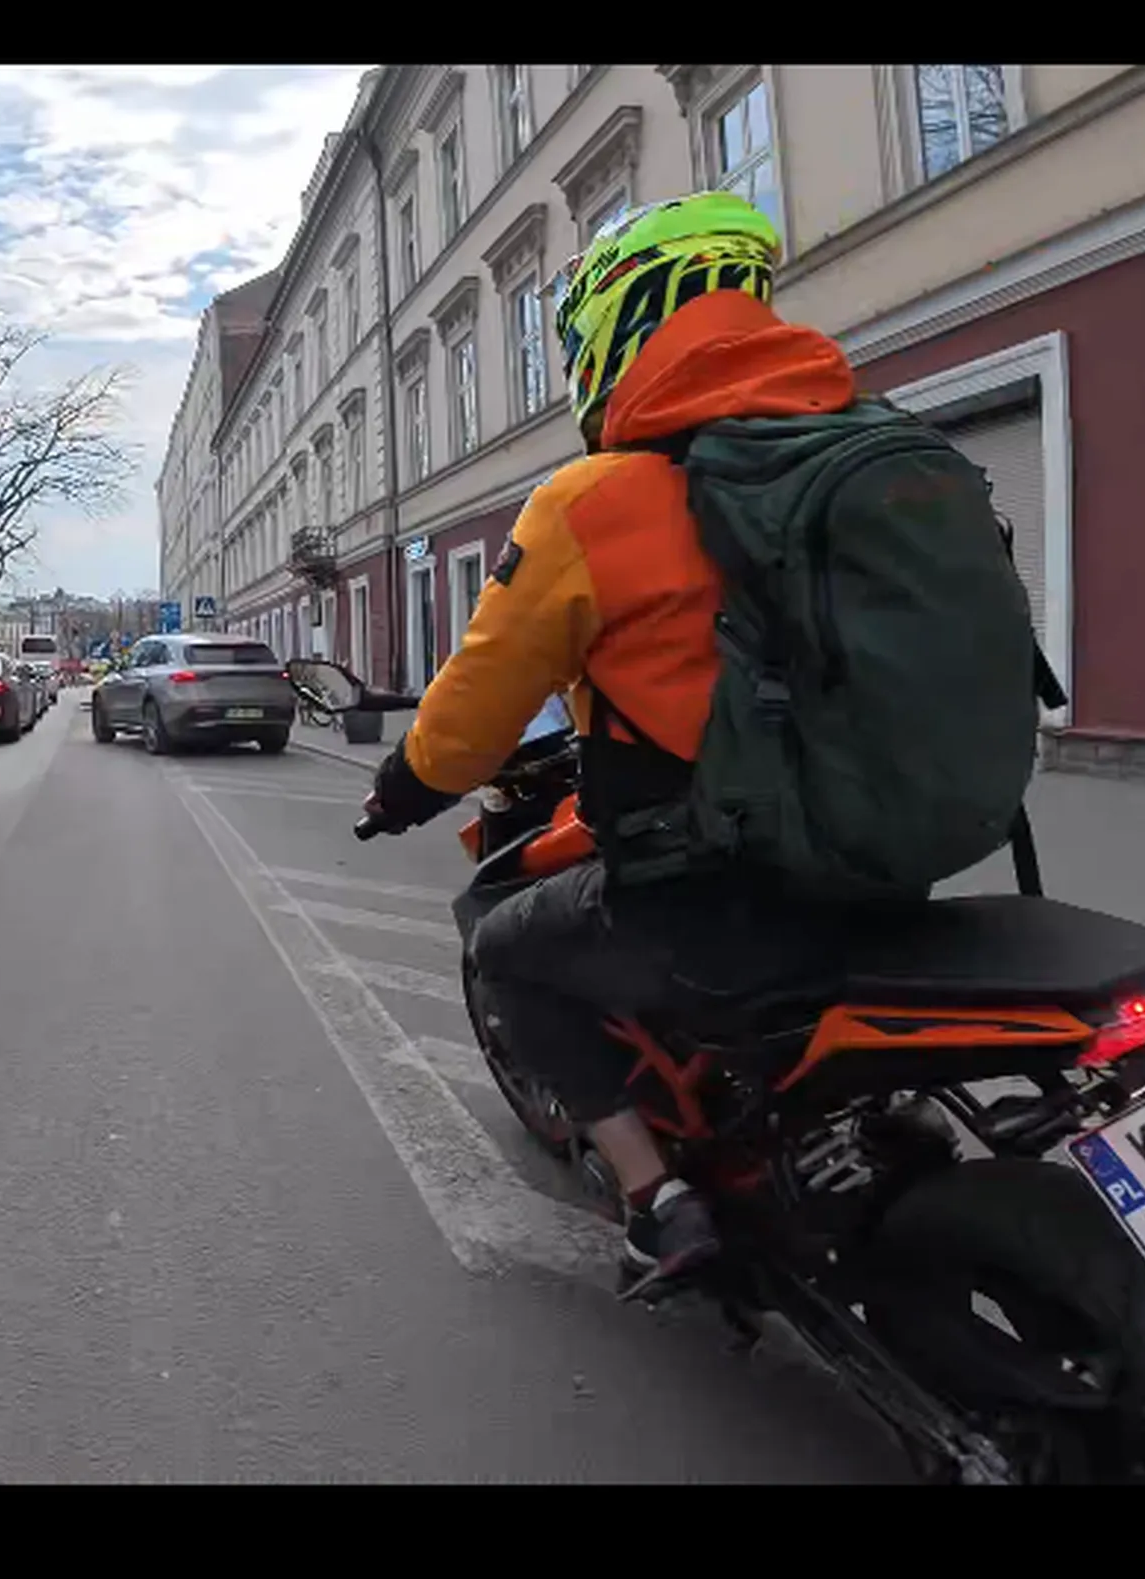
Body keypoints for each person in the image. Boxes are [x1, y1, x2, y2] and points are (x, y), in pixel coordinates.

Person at [358, 190, 862, 1290]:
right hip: (892, 853)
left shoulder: (596, 502)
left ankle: (658, 1197)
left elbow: (480, 696)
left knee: (509, 949)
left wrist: (403, 785)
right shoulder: (870, 466)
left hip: (720, 881)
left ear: (614, 332)